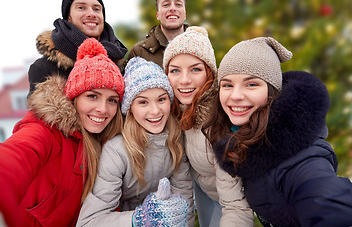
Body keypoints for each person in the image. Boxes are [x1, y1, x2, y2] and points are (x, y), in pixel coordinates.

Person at [204, 37, 352, 226]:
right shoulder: (246, 138)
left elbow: (326, 203)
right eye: (227, 85)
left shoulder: (299, 155)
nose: (235, 96)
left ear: (272, 91)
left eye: (251, 84)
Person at [0, 38, 125, 227]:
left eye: (112, 100)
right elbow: (14, 157)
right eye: (92, 96)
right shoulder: (46, 130)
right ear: (74, 98)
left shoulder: (107, 143)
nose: (103, 109)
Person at [76, 57, 194, 227]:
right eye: (143, 102)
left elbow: (184, 204)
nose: (155, 111)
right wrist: (139, 219)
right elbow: (89, 221)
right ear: (130, 108)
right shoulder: (117, 151)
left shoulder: (176, 141)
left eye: (161, 99)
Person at [163, 26, 254, 226]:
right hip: (204, 192)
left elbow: (236, 206)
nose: (184, 80)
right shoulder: (173, 110)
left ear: (210, 74)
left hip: (229, 201)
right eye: (175, 70)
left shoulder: (219, 120)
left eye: (195, 69)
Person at [28, 0, 128, 96]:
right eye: (81, 7)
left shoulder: (122, 64)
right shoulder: (44, 68)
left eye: (97, 9)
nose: (91, 14)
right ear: (68, 17)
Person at [126, 0, 188, 68]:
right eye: (166, 5)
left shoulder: (202, 47)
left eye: (178, 4)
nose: (172, 8)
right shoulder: (139, 52)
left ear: (185, 14)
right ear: (157, 15)